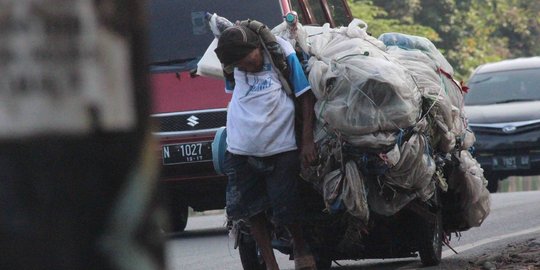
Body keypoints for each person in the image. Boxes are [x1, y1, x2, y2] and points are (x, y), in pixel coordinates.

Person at [214, 23, 317, 270]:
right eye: (239, 65)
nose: (245, 67)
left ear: (256, 46)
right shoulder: (233, 65)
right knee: (250, 210)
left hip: (280, 147)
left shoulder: (280, 53)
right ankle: (271, 264)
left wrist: (306, 141)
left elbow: (305, 95)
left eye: (247, 60)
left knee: (286, 206)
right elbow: (235, 92)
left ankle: (301, 247)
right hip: (239, 148)